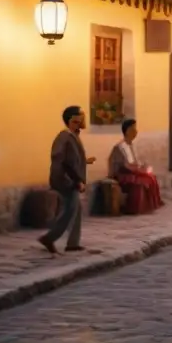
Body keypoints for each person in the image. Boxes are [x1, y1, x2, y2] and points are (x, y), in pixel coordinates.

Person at [40, 106, 95, 254]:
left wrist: (85, 161)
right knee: (69, 212)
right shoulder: (64, 137)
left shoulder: (73, 136)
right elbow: (64, 162)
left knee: (76, 210)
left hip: (70, 180)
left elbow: (73, 158)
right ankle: (49, 238)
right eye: (79, 118)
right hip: (66, 181)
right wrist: (76, 181)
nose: (82, 121)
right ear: (71, 120)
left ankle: (73, 243)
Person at [109, 119, 164, 215]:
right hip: (122, 174)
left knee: (152, 177)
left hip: (132, 171)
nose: (136, 132)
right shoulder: (119, 147)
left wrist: (143, 167)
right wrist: (138, 170)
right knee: (141, 181)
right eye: (133, 129)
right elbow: (124, 166)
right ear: (127, 131)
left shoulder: (132, 145)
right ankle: (135, 208)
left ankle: (153, 204)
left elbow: (135, 161)